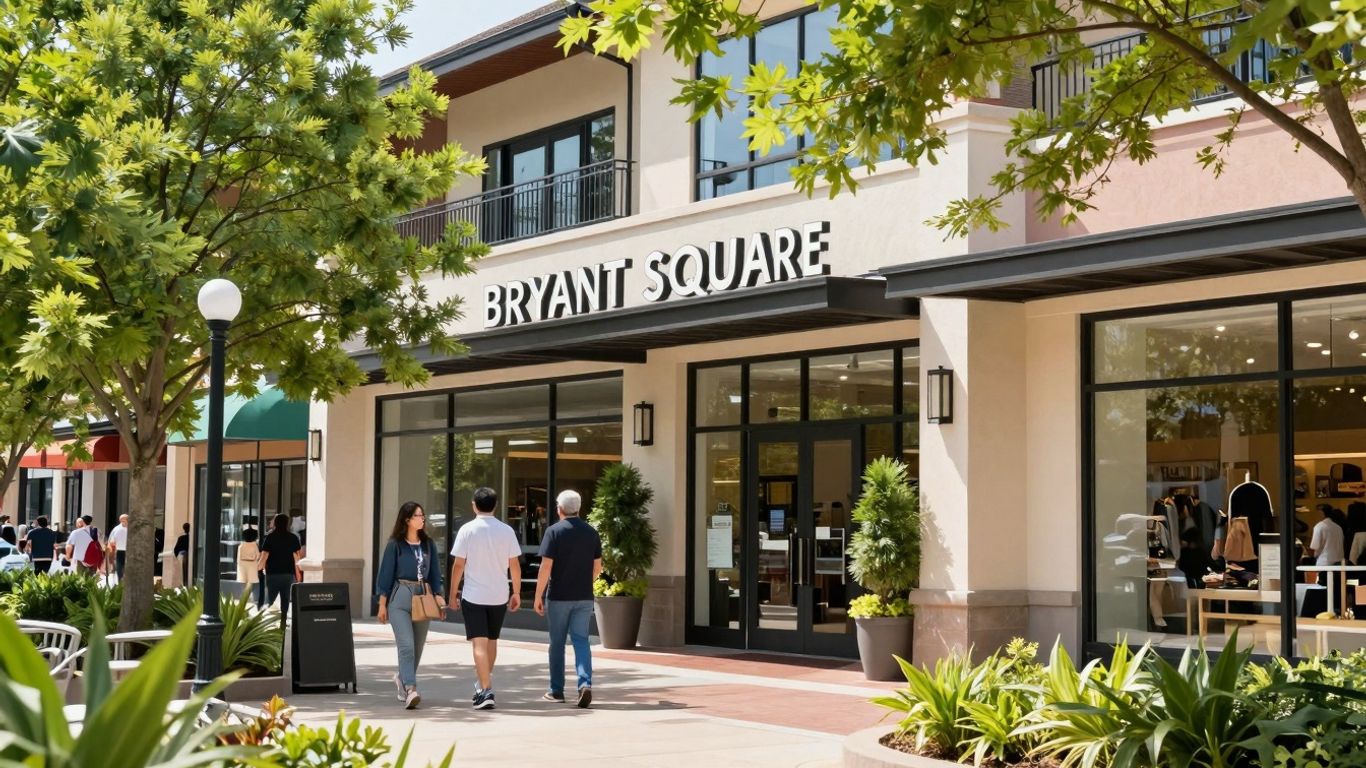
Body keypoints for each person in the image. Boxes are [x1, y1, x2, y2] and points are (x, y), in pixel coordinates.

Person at [448, 487, 522, 710]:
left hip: (474, 595)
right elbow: (515, 565)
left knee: (478, 644)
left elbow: (458, 564)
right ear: (495, 506)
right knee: (492, 642)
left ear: (474, 505)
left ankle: (486, 689)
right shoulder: (506, 530)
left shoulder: (467, 530)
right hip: (499, 594)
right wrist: (516, 592)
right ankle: (483, 685)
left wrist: (452, 593)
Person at [534, 489, 602, 708]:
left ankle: (556, 691)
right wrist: (586, 581)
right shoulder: (591, 532)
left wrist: (538, 594)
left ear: (559, 509)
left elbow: (546, 566)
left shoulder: (554, 531)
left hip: (559, 596)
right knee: (581, 641)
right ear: (579, 508)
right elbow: (598, 567)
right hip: (584, 596)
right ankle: (585, 684)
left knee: (557, 644)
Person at [375, 501, 445, 710]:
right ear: (407, 520)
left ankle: (402, 678)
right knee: (406, 646)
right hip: (400, 597)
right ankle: (410, 688)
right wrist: (382, 605)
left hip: (423, 595)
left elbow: (434, 574)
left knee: (417, 646)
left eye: (422, 515)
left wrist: (439, 598)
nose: (422, 519)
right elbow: (385, 575)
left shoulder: (428, 544)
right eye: (417, 516)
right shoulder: (395, 544)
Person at [258, 513, 302, 617]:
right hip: (288, 574)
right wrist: (298, 574)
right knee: (285, 599)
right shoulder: (293, 538)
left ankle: (262, 623)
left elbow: (264, 555)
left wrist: (259, 568)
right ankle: (283, 622)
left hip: (272, 574)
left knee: (269, 599)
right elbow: (297, 558)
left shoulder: (270, 537)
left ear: (276, 523)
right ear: (287, 524)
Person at [238, 528, 262, 605]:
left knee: (244, 583)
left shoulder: (241, 545)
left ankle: (244, 599)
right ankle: (250, 598)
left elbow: (238, 559)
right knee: (251, 583)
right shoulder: (255, 545)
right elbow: (258, 556)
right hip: (252, 566)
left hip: (242, 567)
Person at [107, 514, 129, 579]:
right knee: (119, 569)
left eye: (125, 520)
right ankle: (120, 583)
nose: (123, 521)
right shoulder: (116, 529)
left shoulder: (132, 529)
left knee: (128, 569)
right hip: (119, 552)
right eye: (122, 520)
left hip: (130, 552)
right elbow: (111, 541)